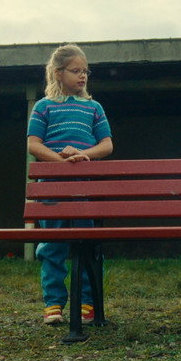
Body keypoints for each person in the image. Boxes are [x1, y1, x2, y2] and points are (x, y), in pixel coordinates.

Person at [27, 44, 113, 325]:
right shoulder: (44, 107)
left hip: (85, 188)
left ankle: (88, 301)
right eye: (76, 71)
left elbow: (107, 145)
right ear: (58, 73)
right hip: (51, 188)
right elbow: (33, 144)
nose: (83, 76)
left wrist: (83, 154)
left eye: (86, 71)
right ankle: (53, 303)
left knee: (87, 244)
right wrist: (60, 161)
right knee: (52, 246)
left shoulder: (94, 108)